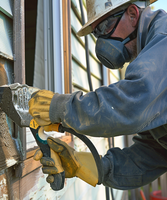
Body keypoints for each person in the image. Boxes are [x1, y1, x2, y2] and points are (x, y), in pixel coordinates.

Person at [29, 0, 167, 190]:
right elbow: (154, 153)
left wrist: (60, 108)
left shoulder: (164, 37)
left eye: (105, 26)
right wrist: (94, 166)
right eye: (96, 33)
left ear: (133, 15)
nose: (102, 41)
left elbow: (133, 101)